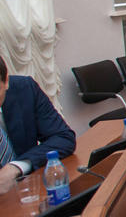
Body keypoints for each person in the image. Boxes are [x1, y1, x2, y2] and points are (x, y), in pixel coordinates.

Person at [0, 56, 76, 194]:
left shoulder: (24, 89)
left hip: (31, 191)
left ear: (6, 81)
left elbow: (63, 137)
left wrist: (16, 167)